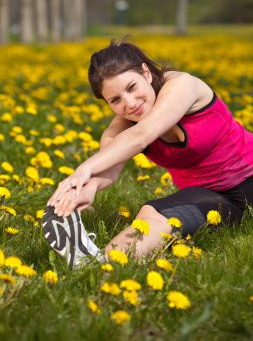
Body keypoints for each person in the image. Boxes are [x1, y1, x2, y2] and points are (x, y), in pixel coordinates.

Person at [43, 38, 253, 268]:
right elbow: (111, 167)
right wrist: (88, 188)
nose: (130, 103)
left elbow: (143, 134)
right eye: (115, 100)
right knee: (151, 214)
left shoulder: (183, 85)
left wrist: (83, 169)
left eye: (132, 87)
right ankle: (98, 264)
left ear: (146, 72)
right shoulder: (123, 128)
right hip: (216, 200)